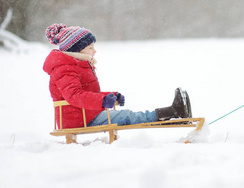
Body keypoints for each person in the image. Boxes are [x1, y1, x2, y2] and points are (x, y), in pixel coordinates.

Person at [43, 23, 192, 130]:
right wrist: (103, 101)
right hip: (78, 120)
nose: (94, 51)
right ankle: (172, 113)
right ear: (77, 50)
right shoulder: (65, 69)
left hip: (86, 114)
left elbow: (87, 94)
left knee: (125, 115)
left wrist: (111, 96)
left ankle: (171, 112)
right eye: (90, 48)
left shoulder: (76, 66)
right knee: (126, 116)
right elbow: (75, 96)